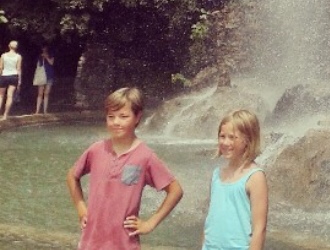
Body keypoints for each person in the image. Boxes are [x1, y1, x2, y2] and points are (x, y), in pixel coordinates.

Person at [66, 86, 183, 250]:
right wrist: (80, 207)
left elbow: (176, 190)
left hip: (124, 244)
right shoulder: (96, 150)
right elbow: (72, 176)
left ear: (137, 117)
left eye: (123, 116)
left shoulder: (145, 156)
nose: (116, 122)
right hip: (90, 242)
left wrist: (150, 223)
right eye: (111, 116)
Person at [200, 109, 268, 250]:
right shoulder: (216, 175)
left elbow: (259, 229)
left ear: (248, 140)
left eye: (232, 137)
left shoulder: (255, 177)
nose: (225, 142)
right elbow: (210, 219)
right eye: (222, 136)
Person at [0, 40, 22, 120]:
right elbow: (18, 69)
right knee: (10, 96)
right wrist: (19, 80)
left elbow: (1, 67)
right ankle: (5, 115)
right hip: (13, 76)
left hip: (4, 76)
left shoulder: (3, 55)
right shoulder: (18, 56)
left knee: (1, 95)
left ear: (9, 46)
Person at [33, 44, 55, 114]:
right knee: (40, 94)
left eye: (45, 48)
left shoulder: (51, 55)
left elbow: (51, 63)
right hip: (41, 76)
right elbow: (38, 66)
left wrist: (46, 57)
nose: (44, 49)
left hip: (49, 76)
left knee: (46, 94)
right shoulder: (39, 56)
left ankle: (45, 111)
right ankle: (37, 111)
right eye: (43, 48)